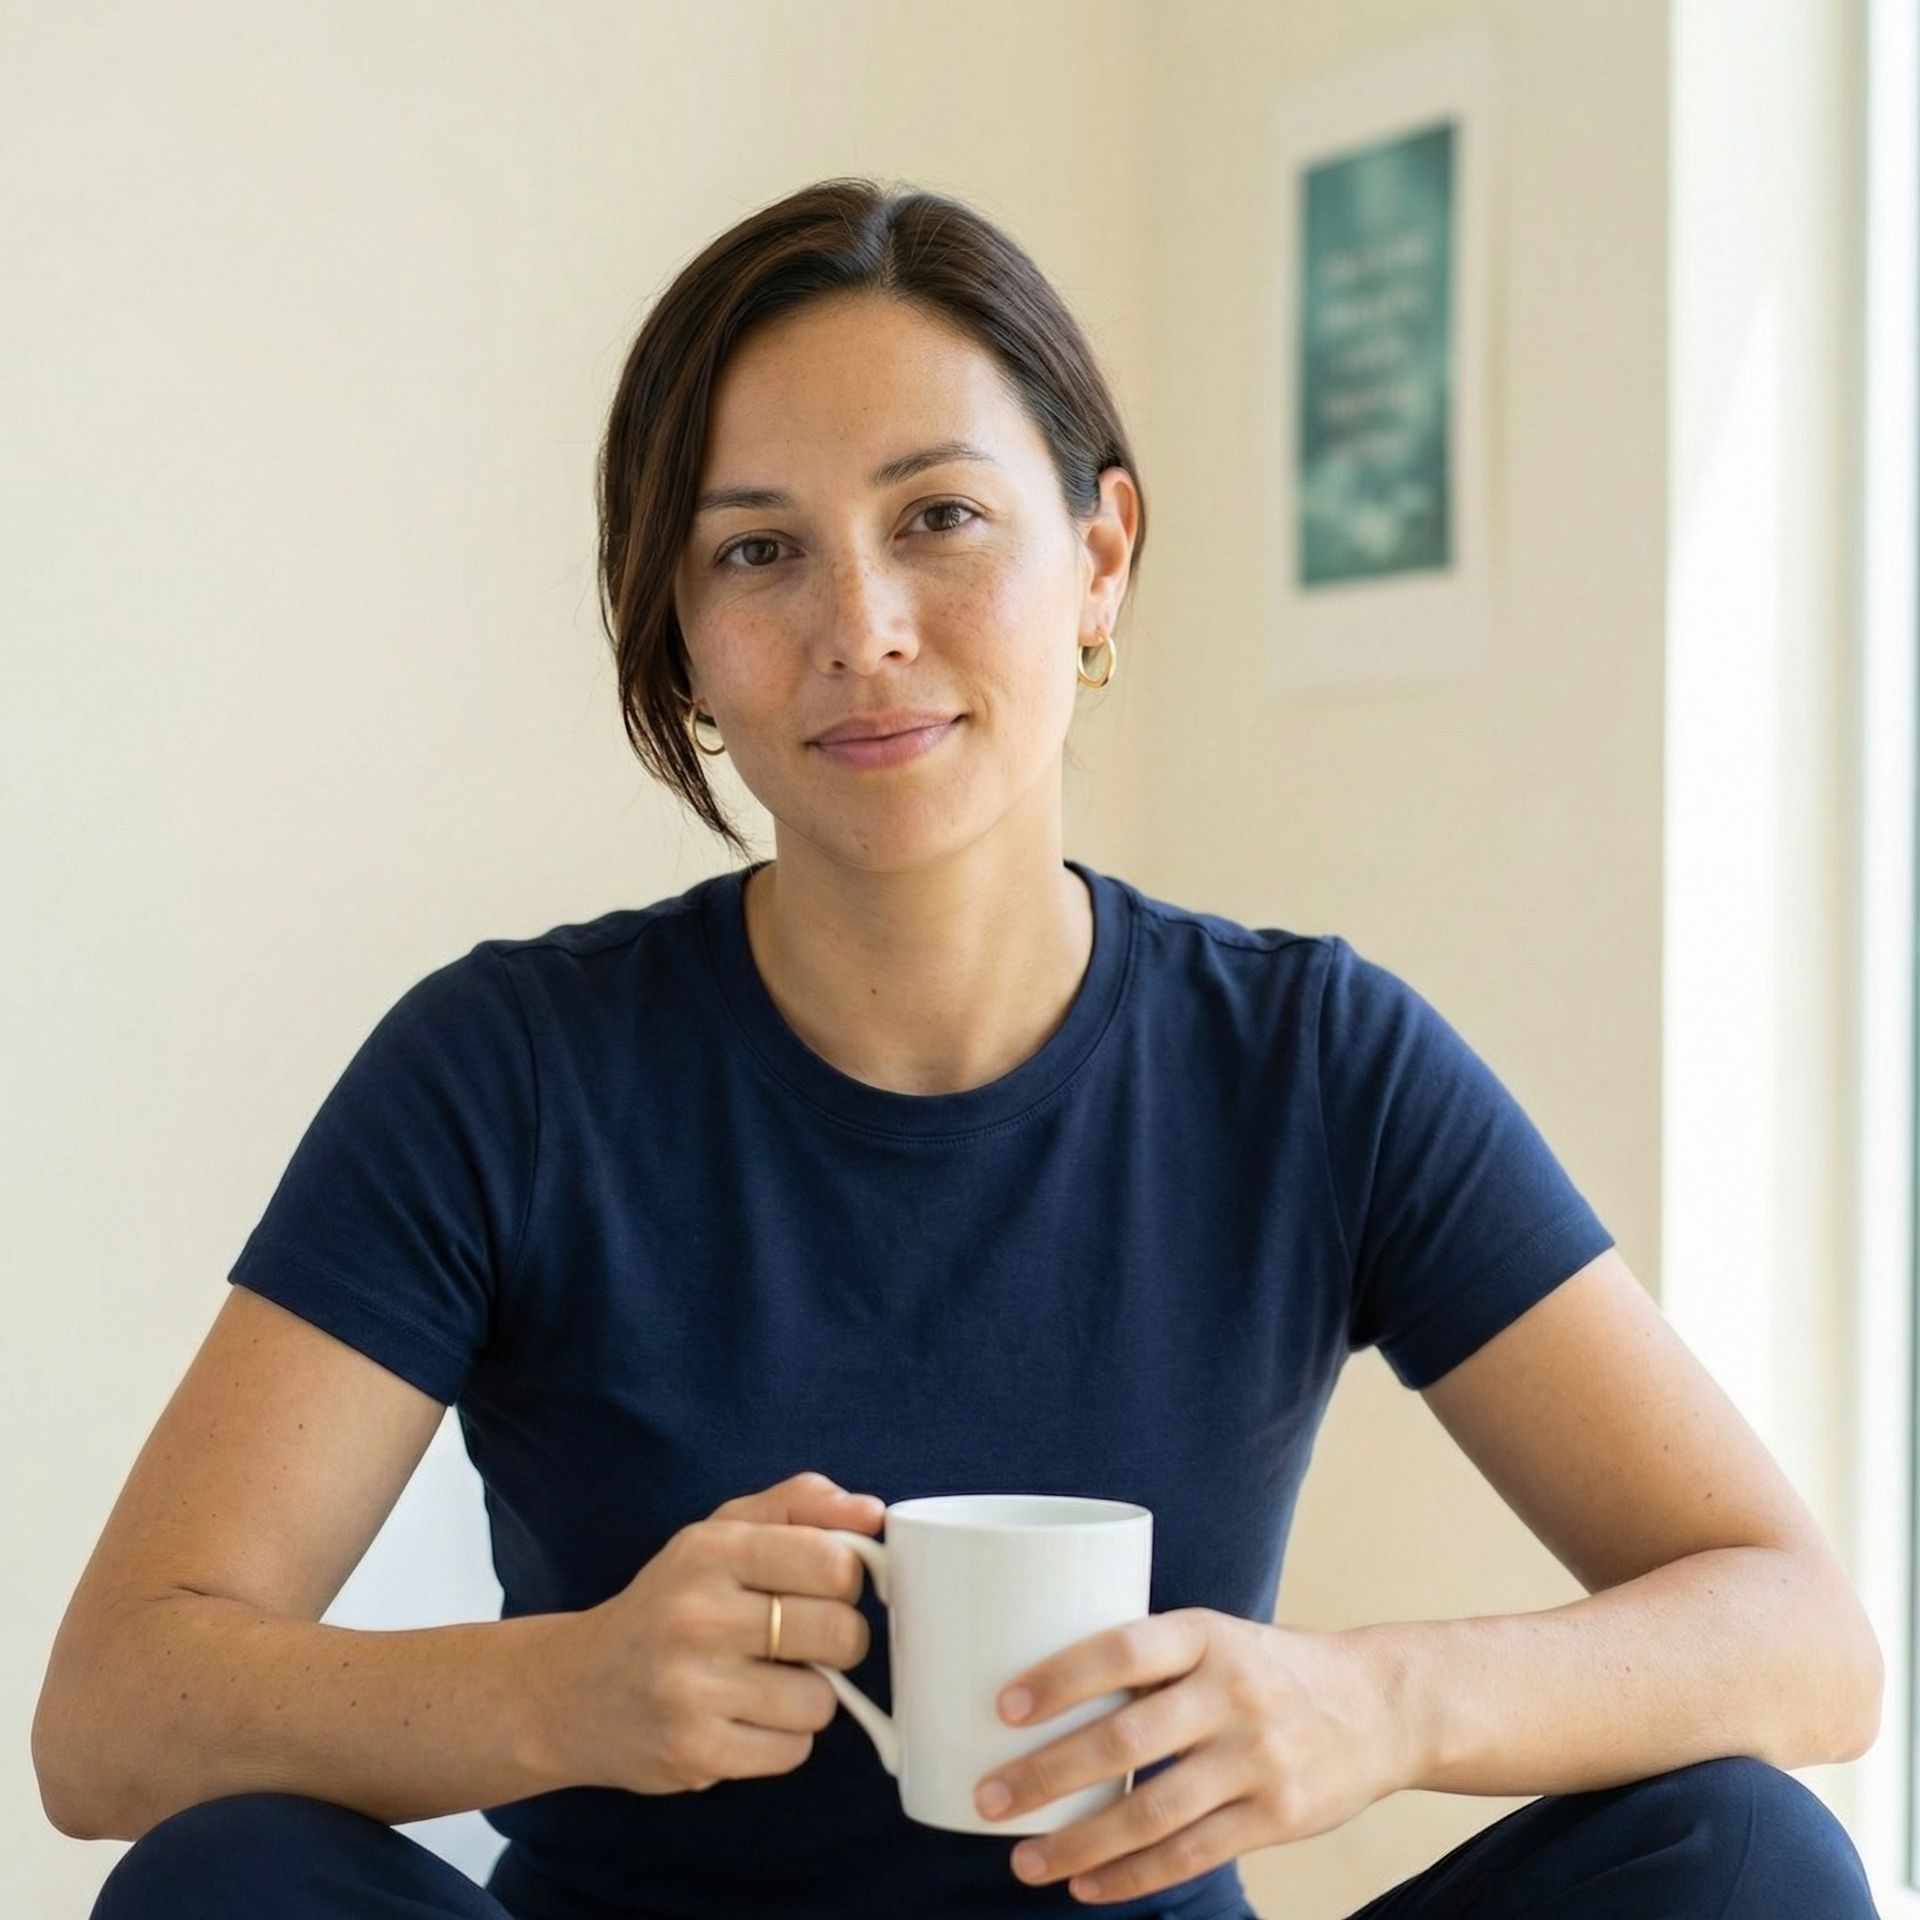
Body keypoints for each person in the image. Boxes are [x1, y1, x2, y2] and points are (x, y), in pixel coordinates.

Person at [34, 176, 1882, 1920]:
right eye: (758, 552)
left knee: (1743, 1856)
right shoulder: (505, 1070)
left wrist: (1378, 1704)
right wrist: (574, 1690)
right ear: (681, 643)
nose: (863, 629)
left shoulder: (1311, 1061)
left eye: (938, 517)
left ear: (1098, 556)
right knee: (225, 1883)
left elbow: (1804, 1641)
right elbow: (110, 1717)